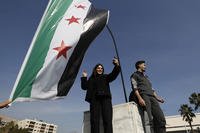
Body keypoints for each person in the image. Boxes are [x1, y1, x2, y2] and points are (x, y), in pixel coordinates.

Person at [81, 57, 121, 133]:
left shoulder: (105, 77)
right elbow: (84, 87)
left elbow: (113, 75)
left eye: (101, 68)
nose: (100, 69)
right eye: (98, 68)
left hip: (106, 99)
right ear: (95, 69)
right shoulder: (91, 79)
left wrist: (116, 65)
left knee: (107, 120)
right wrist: (84, 77)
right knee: (94, 121)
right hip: (94, 100)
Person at [130, 60, 166, 133]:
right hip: (144, 96)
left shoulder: (146, 77)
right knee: (148, 119)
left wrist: (158, 98)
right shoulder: (134, 75)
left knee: (160, 117)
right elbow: (135, 88)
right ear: (139, 65)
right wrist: (140, 98)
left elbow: (152, 89)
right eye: (144, 65)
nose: (145, 66)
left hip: (152, 97)